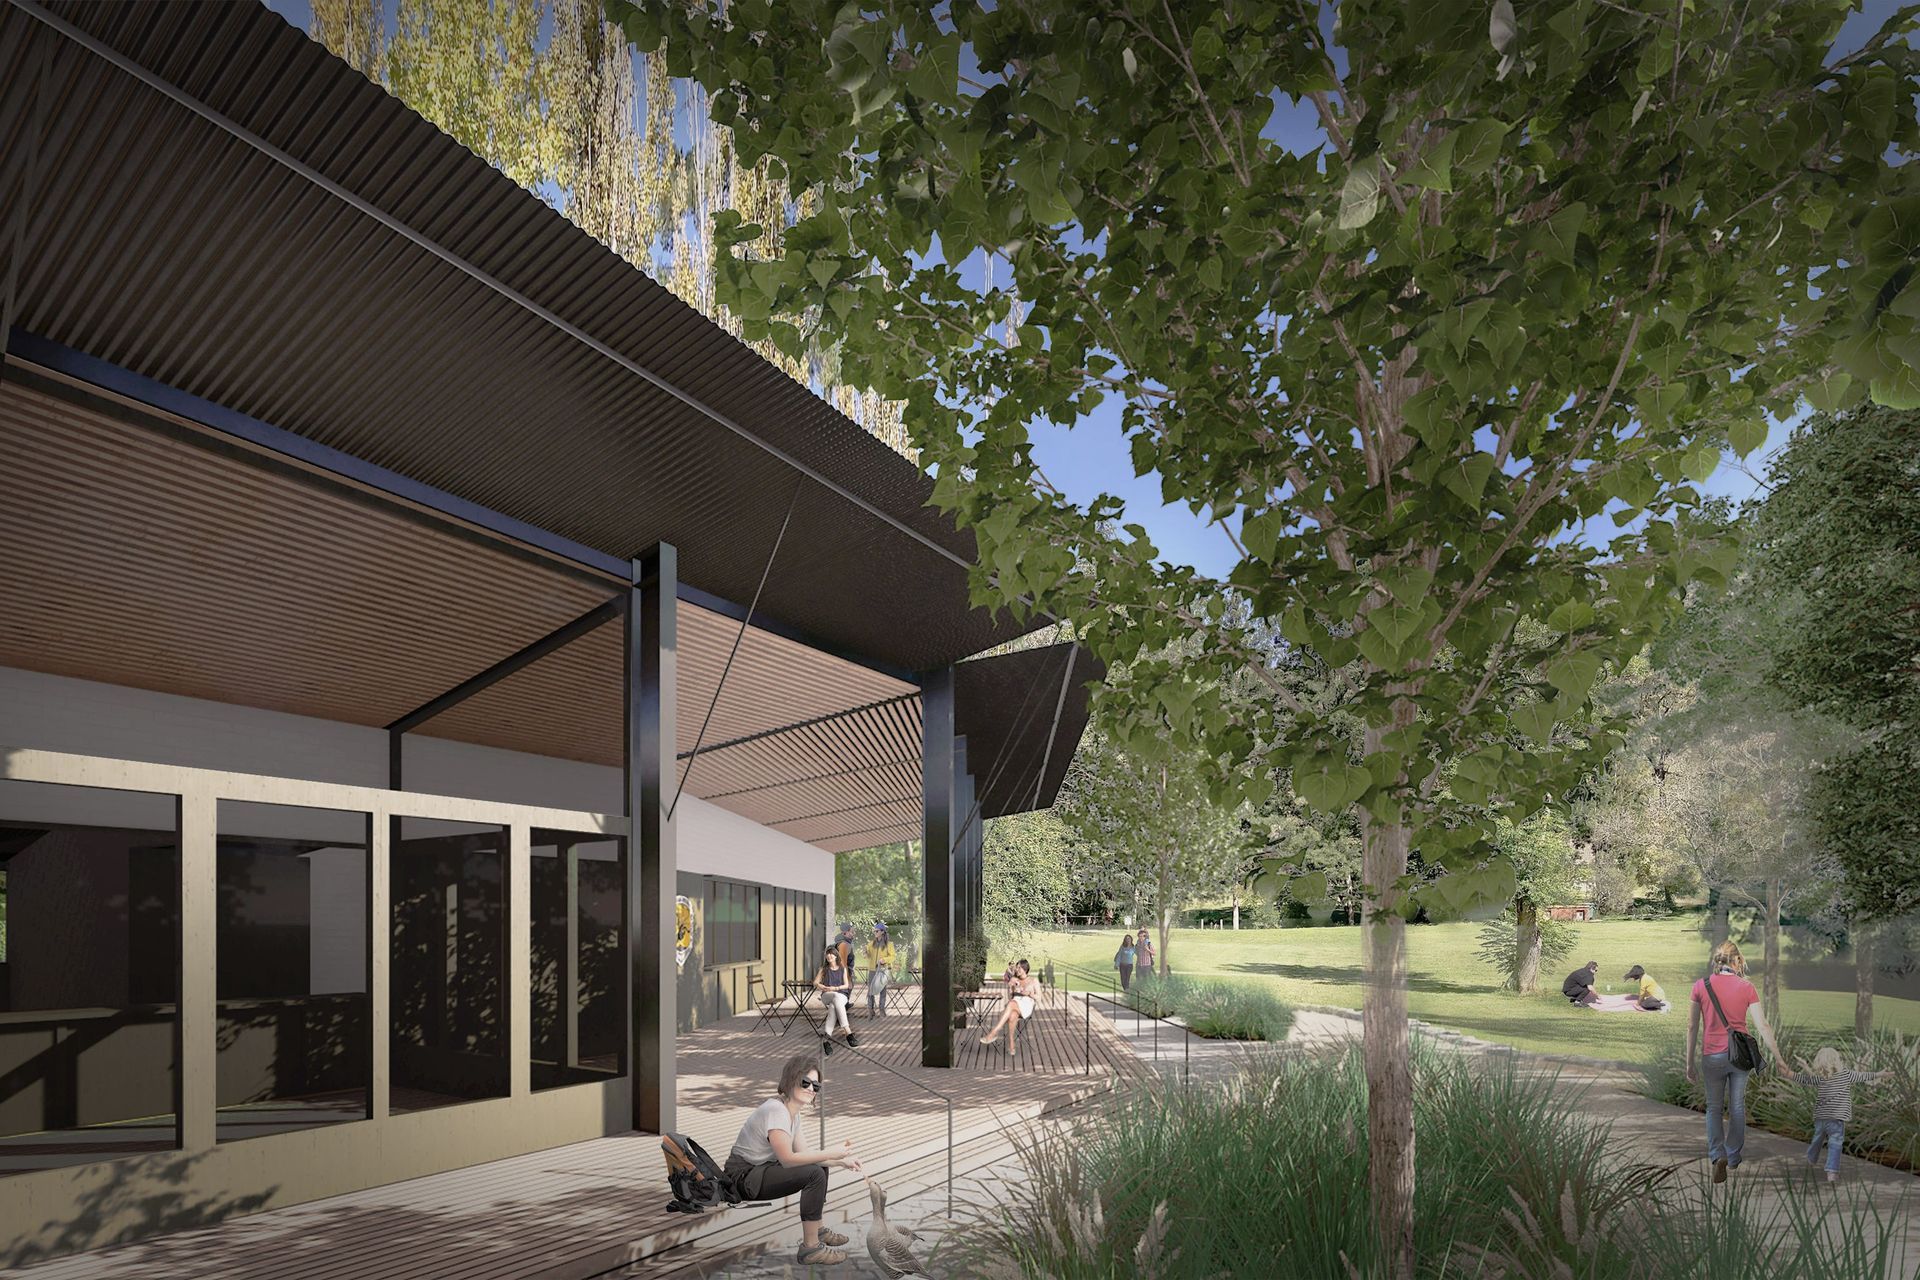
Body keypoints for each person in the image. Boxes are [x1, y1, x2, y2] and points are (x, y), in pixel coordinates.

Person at [723, 1053, 862, 1267]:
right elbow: (788, 1160)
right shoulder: (776, 1111)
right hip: (743, 1177)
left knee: (818, 1167)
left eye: (815, 1086)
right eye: (805, 1082)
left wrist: (841, 1162)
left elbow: (804, 1153)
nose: (810, 1089)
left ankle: (817, 1229)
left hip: (760, 1170)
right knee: (815, 1172)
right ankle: (810, 1248)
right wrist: (832, 1153)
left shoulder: (792, 1113)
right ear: (790, 1080)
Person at [1686, 940, 1785, 1184]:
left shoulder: (1700, 986)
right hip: (1739, 1056)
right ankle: (1732, 1155)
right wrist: (1779, 1058)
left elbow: (1691, 1026)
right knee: (1737, 1107)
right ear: (1737, 961)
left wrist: (1689, 1062)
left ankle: (1716, 1154)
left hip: (1712, 1055)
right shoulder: (1747, 987)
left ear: (1716, 961)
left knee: (1714, 1107)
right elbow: (1763, 1025)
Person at [1792, 1047, 1893, 1183]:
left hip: (1821, 1117)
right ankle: (1832, 1172)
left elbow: (1806, 1079)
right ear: (1837, 1060)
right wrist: (1879, 1074)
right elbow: (1863, 1076)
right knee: (1835, 1144)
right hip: (1836, 1118)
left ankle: (1811, 1157)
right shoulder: (1846, 1074)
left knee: (1817, 1139)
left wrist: (1798, 1068)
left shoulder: (1821, 1077)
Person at [980, 959, 1041, 1057]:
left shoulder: (1033, 980)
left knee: (1011, 1003)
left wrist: (1029, 993)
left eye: (1019, 967)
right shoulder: (1015, 980)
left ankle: (994, 1032)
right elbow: (1010, 997)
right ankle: (1012, 1046)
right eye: (1016, 967)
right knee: (1012, 1015)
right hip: (1014, 1004)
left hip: (1026, 1004)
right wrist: (1010, 987)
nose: (1017, 969)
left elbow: (1039, 998)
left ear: (1025, 968)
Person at [815, 945, 856, 1045]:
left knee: (834, 1006)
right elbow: (815, 982)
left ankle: (826, 1040)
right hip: (827, 995)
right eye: (827, 954)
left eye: (831, 954)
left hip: (841, 995)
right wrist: (822, 986)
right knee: (835, 998)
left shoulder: (842, 969)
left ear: (836, 956)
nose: (829, 956)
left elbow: (846, 985)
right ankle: (848, 1032)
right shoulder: (824, 969)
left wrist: (835, 988)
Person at [863, 922, 896, 1017]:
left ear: (882, 932)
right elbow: (867, 956)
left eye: (876, 931)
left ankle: (882, 1009)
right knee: (871, 990)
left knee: (882, 990)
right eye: (874, 931)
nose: (875, 932)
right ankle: (870, 1009)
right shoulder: (870, 944)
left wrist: (884, 960)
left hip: (883, 970)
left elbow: (893, 957)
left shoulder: (889, 944)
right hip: (872, 970)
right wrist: (865, 952)